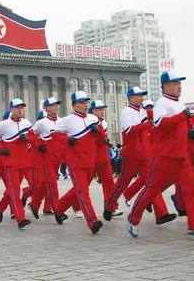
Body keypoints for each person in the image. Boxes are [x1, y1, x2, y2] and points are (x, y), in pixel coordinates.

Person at [128, 71, 194, 237]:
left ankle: (192, 225)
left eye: (180, 83)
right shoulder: (161, 103)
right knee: (152, 189)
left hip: (182, 155)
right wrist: (181, 117)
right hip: (165, 156)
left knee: (191, 188)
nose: (179, 86)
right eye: (175, 83)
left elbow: (181, 128)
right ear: (165, 85)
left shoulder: (179, 104)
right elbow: (160, 123)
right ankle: (133, 218)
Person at [103, 87, 172, 225]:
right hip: (132, 153)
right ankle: (109, 205)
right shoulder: (126, 112)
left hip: (145, 153)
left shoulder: (143, 112)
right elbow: (130, 130)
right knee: (123, 183)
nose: (141, 98)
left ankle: (161, 213)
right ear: (131, 98)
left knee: (152, 182)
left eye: (142, 95)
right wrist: (146, 124)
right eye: (139, 95)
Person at [52, 91, 104, 234]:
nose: (85, 105)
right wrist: (67, 140)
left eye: (86, 101)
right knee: (83, 193)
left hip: (90, 161)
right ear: (74, 105)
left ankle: (58, 209)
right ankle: (92, 221)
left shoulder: (93, 119)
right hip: (75, 163)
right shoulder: (67, 120)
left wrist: (97, 132)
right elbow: (53, 133)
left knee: (78, 191)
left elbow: (100, 140)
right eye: (82, 102)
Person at [0, 99, 40, 229]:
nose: (20, 110)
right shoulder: (3, 125)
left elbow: (33, 138)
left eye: (22, 107)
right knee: (15, 191)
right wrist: (0, 148)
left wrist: (29, 139)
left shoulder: (26, 123)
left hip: (24, 162)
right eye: (17, 107)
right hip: (10, 163)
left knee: (12, 191)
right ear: (11, 109)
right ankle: (20, 218)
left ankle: (0, 207)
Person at [28, 99, 68, 224]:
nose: (56, 108)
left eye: (56, 105)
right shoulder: (41, 123)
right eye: (52, 106)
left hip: (58, 159)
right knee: (53, 186)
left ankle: (34, 204)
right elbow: (30, 135)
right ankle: (58, 211)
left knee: (46, 184)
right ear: (46, 108)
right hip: (46, 158)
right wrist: (38, 144)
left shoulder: (62, 121)